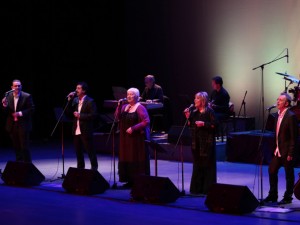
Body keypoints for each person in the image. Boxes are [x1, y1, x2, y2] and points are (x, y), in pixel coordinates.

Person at [263, 92, 298, 204]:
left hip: (287, 151)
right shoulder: (277, 115)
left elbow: (294, 137)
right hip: (278, 150)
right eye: (277, 99)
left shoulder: (291, 116)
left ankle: (288, 197)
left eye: (281, 100)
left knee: (289, 174)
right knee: (272, 170)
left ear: (286, 103)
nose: (277, 101)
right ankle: (273, 195)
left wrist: (290, 153)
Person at [115, 87, 151, 188]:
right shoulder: (124, 107)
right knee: (126, 157)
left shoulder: (140, 107)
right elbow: (117, 117)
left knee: (134, 157)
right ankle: (129, 181)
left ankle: (137, 181)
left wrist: (134, 128)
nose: (129, 96)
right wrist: (119, 106)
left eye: (131, 94)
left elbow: (146, 121)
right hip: (125, 138)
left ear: (137, 96)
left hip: (136, 139)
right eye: (128, 94)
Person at [184, 91, 217, 195]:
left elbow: (215, 125)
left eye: (197, 98)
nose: (194, 100)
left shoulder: (209, 111)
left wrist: (204, 124)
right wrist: (188, 117)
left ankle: (207, 189)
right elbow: (191, 126)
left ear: (202, 101)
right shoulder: (194, 112)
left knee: (207, 165)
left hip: (207, 143)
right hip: (196, 143)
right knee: (197, 165)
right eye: (195, 98)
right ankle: (196, 189)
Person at [65, 81, 99, 171]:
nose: (76, 90)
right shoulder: (75, 100)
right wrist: (69, 100)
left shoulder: (90, 101)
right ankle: (80, 169)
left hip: (86, 129)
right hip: (76, 129)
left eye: (79, 88)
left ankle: (94, 168)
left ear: (84, 90)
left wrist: (80, 115)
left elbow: (94, 115)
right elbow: (68, 112)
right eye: (76, 88)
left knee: (90, 150)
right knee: (78, 151)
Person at [1, 79, 35, 162]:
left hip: (23, 125)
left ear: (21, 86)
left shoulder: (27, 96)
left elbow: (32, 109)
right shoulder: (7, 96)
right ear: (12, 87)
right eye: (15, 86)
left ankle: (28, 166)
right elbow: (5, 112)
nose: (17, 87)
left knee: (24, 147)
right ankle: (19, 166)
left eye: (19, 86)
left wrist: (20, 113)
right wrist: (4, 105)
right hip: (12, 125)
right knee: (16, 147)